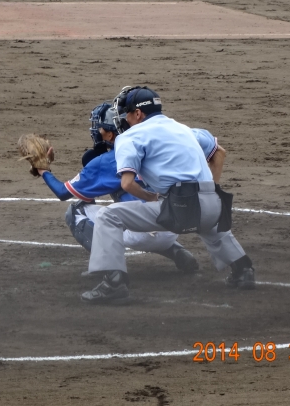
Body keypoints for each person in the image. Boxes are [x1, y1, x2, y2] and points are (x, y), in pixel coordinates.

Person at [83, 86, 255, 305]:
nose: (124, 118)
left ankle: (114, 284)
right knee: (207, 222)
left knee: (108, 216)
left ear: (138, 113)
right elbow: (218, 151)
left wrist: (150, 197)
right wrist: (210, 190)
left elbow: (127, 184)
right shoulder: (183, 128)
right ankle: (243, 270)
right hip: (213, 204)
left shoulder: (130, 136)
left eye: (127, 113)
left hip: (179, 209)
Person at [36, 102, 200, 273]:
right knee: (149, 211)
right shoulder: (155, 148)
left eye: (100, 128)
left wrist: (43, 170)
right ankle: (177, 251)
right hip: (172, 226)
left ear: (109, 134)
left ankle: (108, 269)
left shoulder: (107, 160)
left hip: (141, 234)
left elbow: (62, 192)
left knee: (76, 212)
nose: (97, 131)